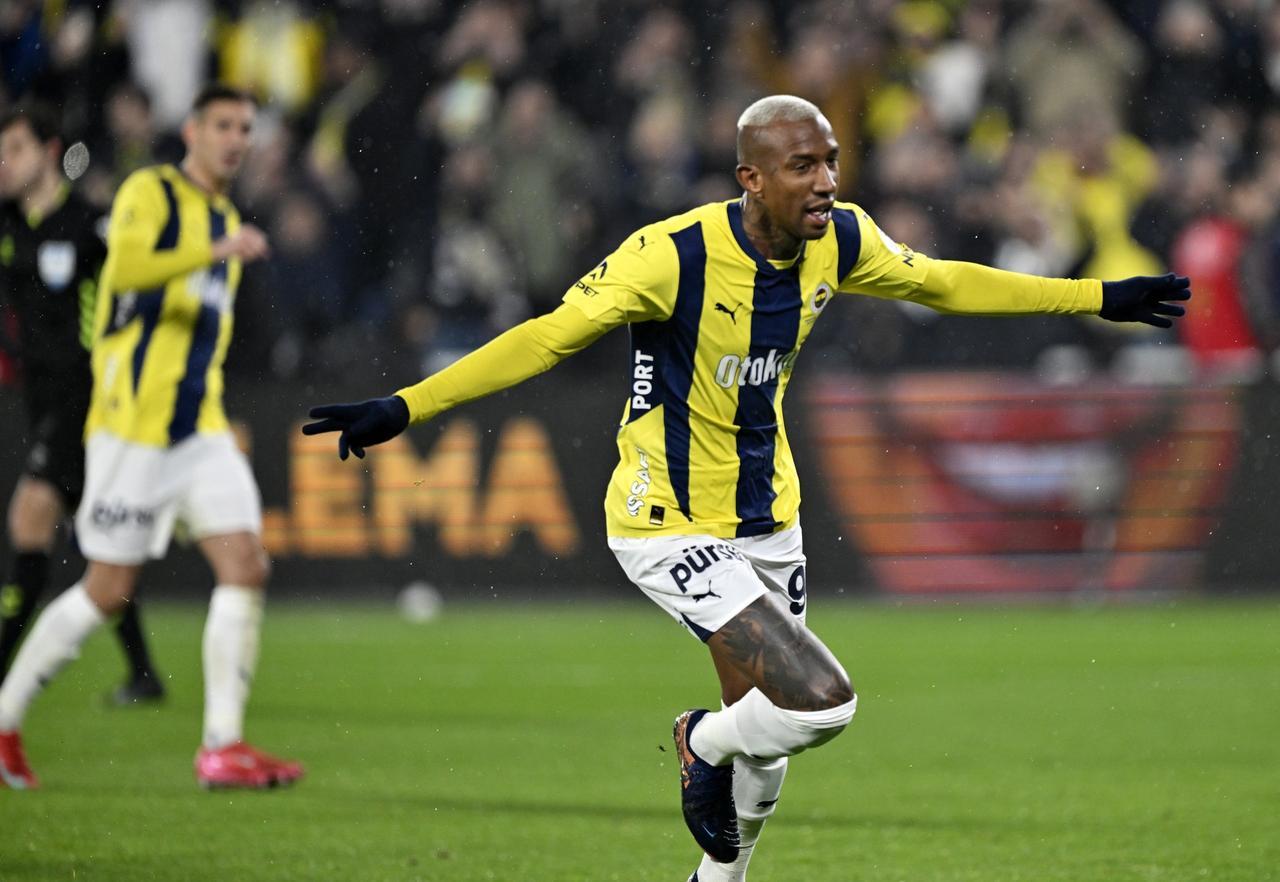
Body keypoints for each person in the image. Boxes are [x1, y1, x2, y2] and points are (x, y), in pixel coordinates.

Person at [303, 95, 1190, 879]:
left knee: (770, 739)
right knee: (824, 703)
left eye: (831, 161)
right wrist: (408, 405)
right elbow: (545, 337)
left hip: (769, 517)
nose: (826, 182)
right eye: (803, 166)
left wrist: (1096, 296)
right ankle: (699, 740)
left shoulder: (840, 239)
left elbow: (946, 283)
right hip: (666, 519)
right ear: (751, 179)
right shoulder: (670, 257)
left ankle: (715, 872)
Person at [0, 84, 303, 791]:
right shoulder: (153, 192)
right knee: (106, 589)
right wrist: (212, 249)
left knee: (246, 564)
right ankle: (5, 719)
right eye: (222, 125)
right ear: (192, 131)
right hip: (131, 430)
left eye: (245, 128)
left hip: (198, 430)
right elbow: (129, 268)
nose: (235, 139)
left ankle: (222, 747)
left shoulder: (224, 216)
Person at [0, 103, 165, 705]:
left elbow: (143, 280)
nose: (3, 163)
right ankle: (143, 674)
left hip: (87, 399)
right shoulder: (10, 229)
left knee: (30, 517)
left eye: (14, 149)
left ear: (50, 152)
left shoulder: (90, 225)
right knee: (99, 540)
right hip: (41, 400)